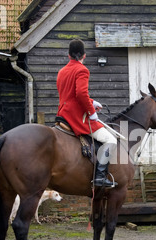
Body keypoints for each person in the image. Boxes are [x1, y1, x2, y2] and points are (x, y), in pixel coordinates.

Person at [56, 39, 117, 188]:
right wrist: (91, 112)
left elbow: (70, 94)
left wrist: (92, 101)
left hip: (63, 114)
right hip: (76, 117)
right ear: (84, 55)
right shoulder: (82, 70)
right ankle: (100, 177)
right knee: (111, 140)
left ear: (69, 55)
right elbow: (80, 94)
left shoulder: (62, 71)